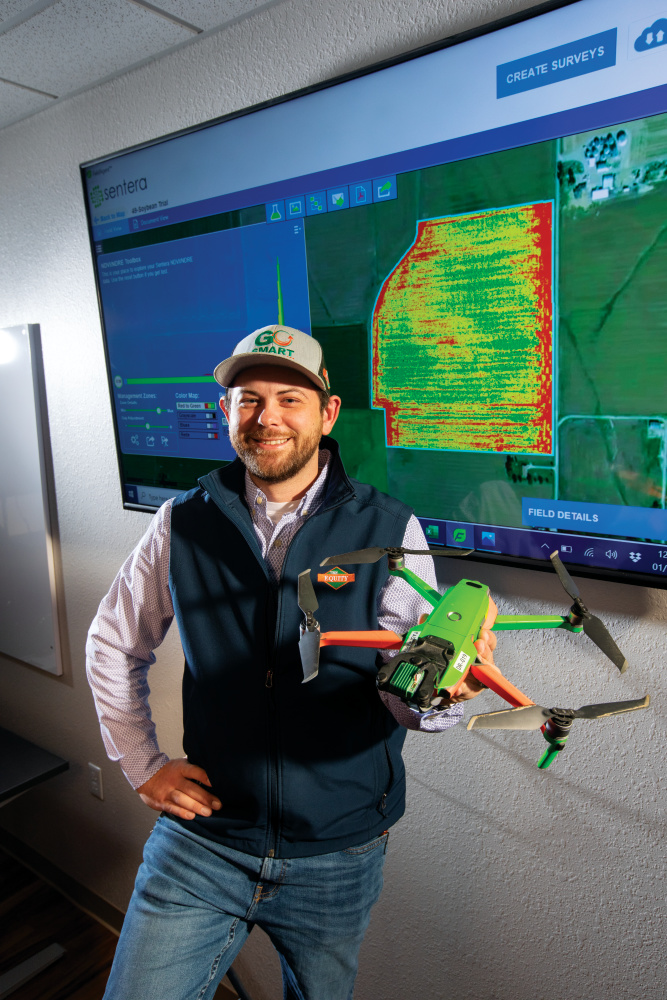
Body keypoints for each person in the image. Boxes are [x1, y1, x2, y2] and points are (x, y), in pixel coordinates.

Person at [86, 325, 497, 1000]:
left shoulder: (390, 527)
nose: (266, 417)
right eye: (247, 400)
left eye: (288, 398)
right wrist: (143, 766)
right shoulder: (179, 522)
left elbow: (402, 695)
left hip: (339, 850)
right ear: (225, 414)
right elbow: (112, 642)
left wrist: (438, 695)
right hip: (204, 840)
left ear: (326, 413)